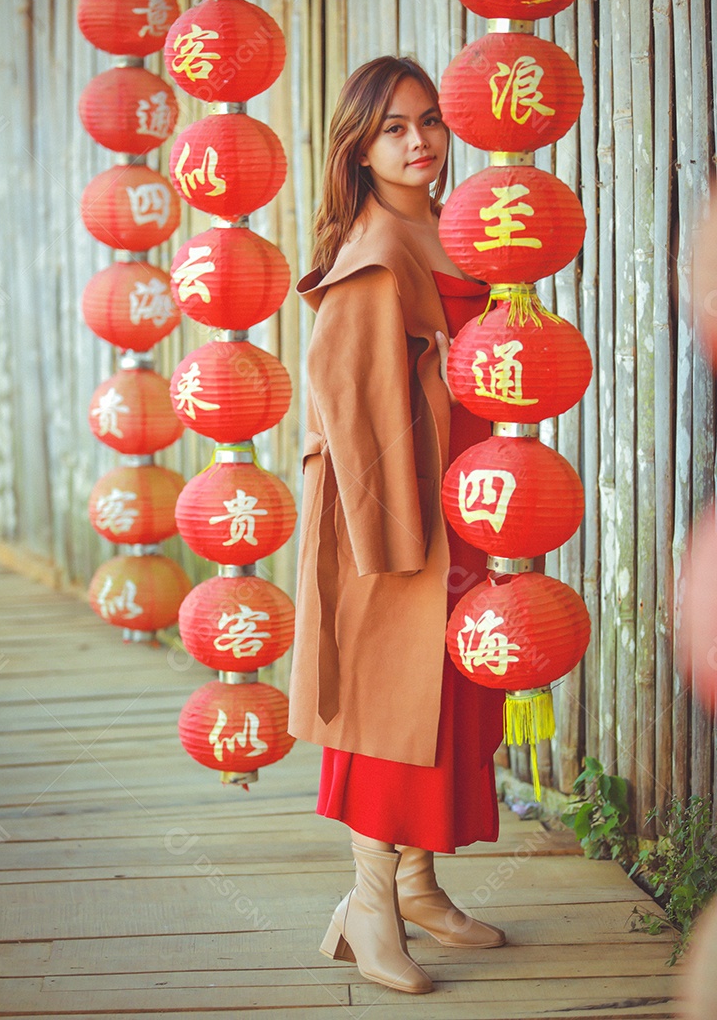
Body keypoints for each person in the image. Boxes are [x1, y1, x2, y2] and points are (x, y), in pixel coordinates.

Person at [288, 56, 506, 995]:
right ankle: (367, 903)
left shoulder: (458, 230)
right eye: (393, 129)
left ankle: (417, 882)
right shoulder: (375, 253)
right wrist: (388, 544)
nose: (419, 142)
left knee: (450, 694)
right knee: (390, 699)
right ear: (359, 148)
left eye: (430, 122)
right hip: (399, 516)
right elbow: (345, 408)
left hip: (468, 493)